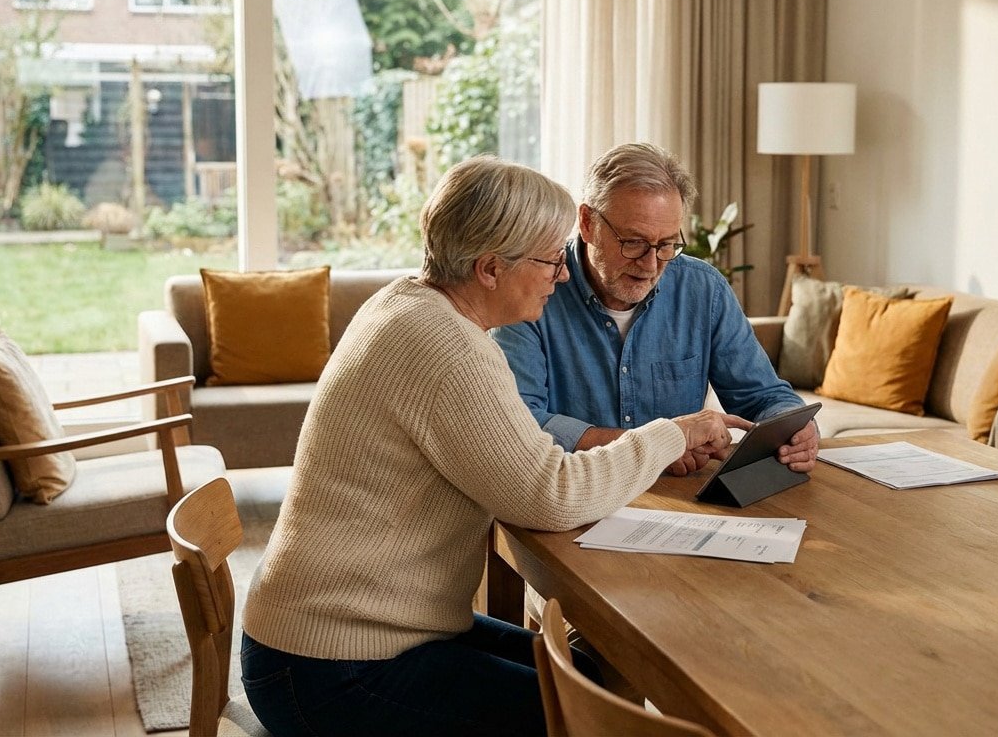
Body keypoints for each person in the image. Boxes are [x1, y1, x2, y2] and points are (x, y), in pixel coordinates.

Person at [239, 155, 752, 737]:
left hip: (360, 633)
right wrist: (674, 432)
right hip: (331, 668)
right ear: (489, 268)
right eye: (550, 259)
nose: (562, 275)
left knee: (587, 674)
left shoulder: (408, 304)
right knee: (586, 715)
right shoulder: (446, 349)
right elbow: (549, 495)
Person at [493, 142, 820, 477]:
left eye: (666, 245)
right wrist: (654, 447)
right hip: (574, 495)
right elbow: (520, 422)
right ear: (588, 223)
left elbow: (762, 395)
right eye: (633, 243)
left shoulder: (702, 289)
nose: (650, 264)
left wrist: (794, 428)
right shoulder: (532, 287)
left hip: (680, 502)